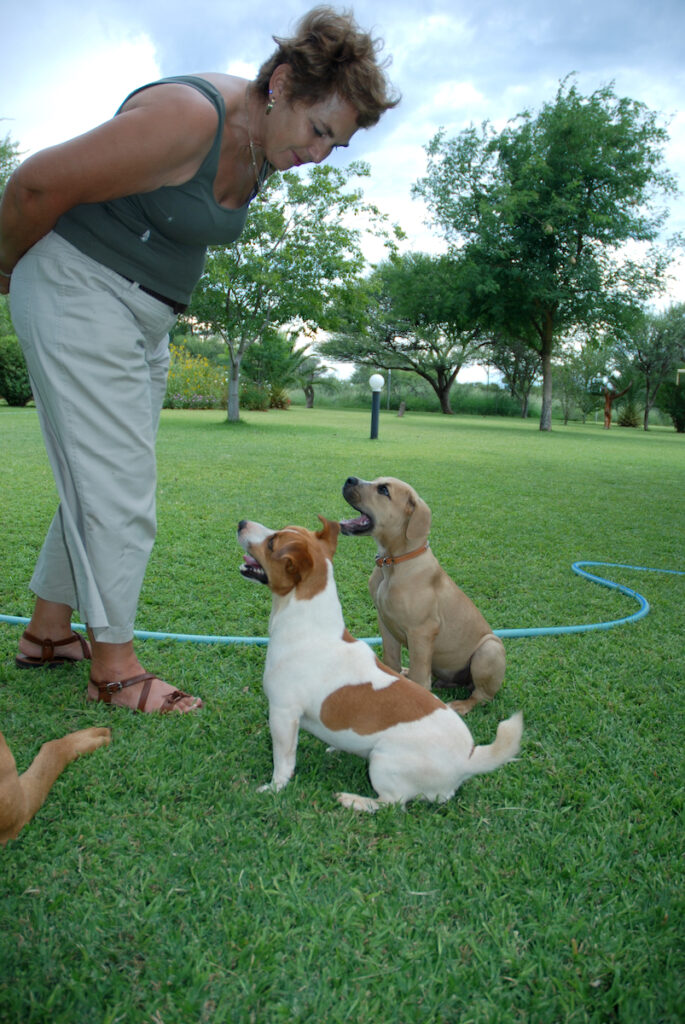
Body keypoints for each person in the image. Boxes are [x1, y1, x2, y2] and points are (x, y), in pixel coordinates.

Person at [0, 6, 398, 713]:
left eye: (335, 145)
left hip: (142, 319)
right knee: (119, 490)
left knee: (102, 482)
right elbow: (34, 184)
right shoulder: (191, 116)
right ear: (282, 84)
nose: (319, 155)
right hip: (79, 291)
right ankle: (115, 669)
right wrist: (5, 272)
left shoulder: (263, 145)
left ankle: (50, 633)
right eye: (318, 130)